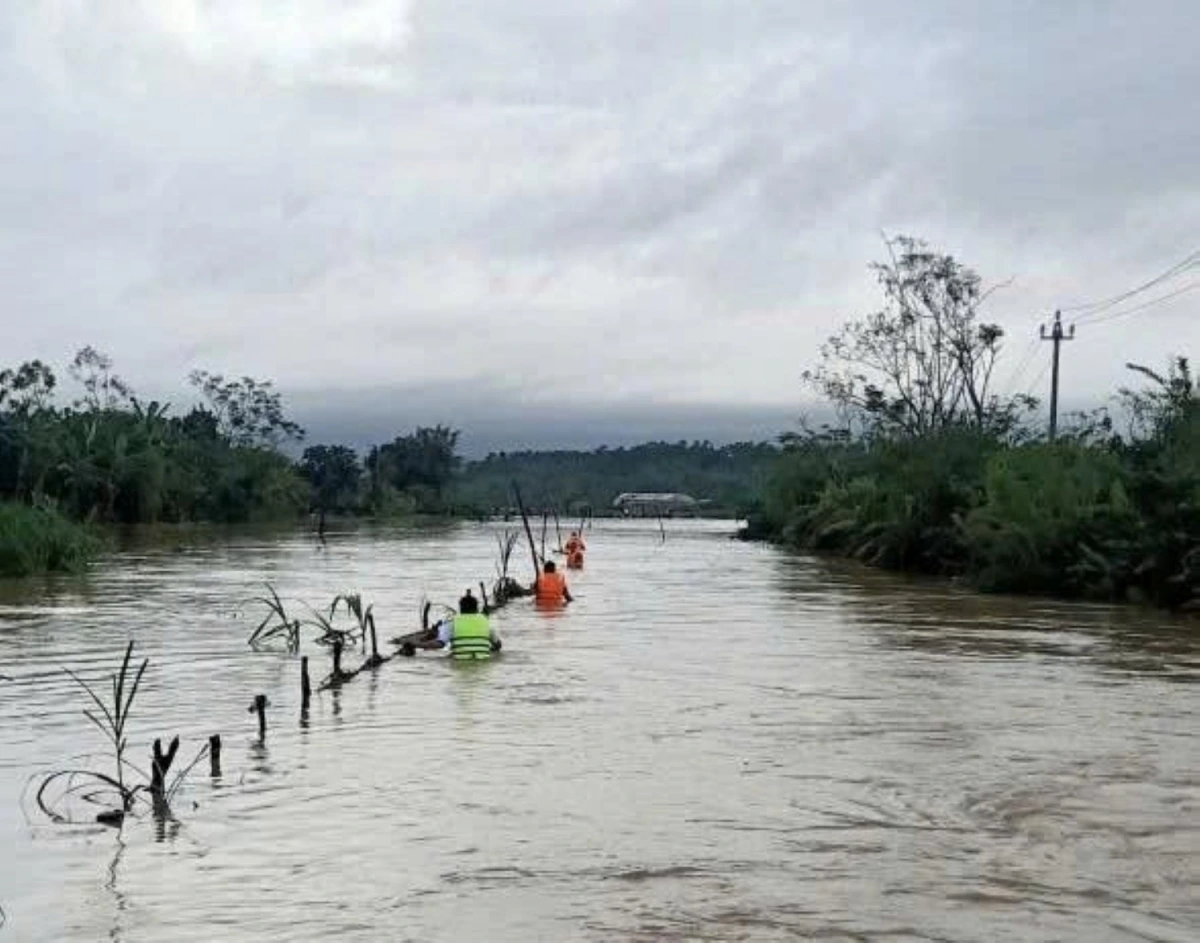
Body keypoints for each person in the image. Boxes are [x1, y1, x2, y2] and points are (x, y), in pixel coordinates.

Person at [417, 591, 501, 659]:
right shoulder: (484, 621)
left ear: (460, 608)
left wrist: (418, 645)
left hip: (460, 660)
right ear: (476, 608)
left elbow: (440, 644)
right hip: (483, 662)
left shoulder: (453, 622)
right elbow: (498, 645)